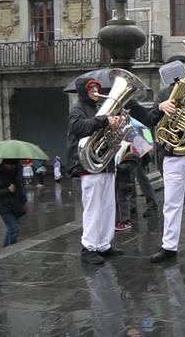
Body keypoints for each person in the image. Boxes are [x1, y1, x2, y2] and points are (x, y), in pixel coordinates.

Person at [128, 60, 185, 266]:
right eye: (172, 81)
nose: (175, 85)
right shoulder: (163, 94)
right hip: (172, 155)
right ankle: (169, 246)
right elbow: (150, 122)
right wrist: (160, 107)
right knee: (171, 203)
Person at [67, 77, 124, 265]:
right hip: (87, 164)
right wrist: (104, 120)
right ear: (83, 91)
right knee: (93, 208)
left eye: (96, 87)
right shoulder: (78, 108)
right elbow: (78, 127)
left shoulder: (100, 106)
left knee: (108, 206)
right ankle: (88, 247)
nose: (94, 90)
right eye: (90, 88)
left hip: (105, 163)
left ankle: (103, 244)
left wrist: (116, 121)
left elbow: (105, 129)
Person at [0, 159, 27, 246]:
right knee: (14, 228)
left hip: (16, 205)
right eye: (11, 165)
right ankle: (12, 248)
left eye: (14, 165)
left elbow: (21, 187)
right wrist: (7, 190)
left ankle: (6, 248)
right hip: (4, 206)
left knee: (12, 229)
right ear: (5, 164)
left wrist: (24, 200)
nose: (13, 166)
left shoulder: (17, 171)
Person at [115, 145, 138, 231]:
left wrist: (117, 166)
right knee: (119, 202)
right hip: (120, 183)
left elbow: (127, 168)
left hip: (125, 183)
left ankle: (126, 221)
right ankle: (120, 221)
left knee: (123, 202)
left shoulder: (132, 157)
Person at [136, 152, 158, 218]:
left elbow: (149, 141)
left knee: (142, 178)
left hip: (137, 151)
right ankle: (132, 207)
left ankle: (152, 204)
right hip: (127, 150)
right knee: (129, 180)